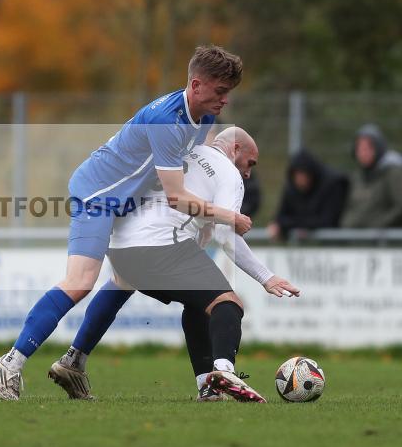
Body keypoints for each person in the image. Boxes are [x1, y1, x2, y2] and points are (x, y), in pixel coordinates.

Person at [0, 46, 252, 400]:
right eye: (220, 92)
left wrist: (199, 223)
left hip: (126, 200)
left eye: (228, 93)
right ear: (196, 85)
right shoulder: (167, 121)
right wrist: (226, 216)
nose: (225, 100)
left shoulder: (201, 118)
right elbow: (176, 195)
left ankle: (73, 363)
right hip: (98, 196)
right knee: (80, 281)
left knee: (125, 277)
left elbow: (181, 175)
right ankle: (10, 362)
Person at [50, 128, 299, 402]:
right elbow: (225, 235)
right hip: (161, 246)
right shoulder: (227, 173)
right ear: (235, 149)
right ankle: (224, 371)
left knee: (180, 299)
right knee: (228, 303)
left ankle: (75, 358)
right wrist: (266, 277)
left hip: (120, 243)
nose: (249, 173)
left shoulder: (179, 152)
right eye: (250, 163)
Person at [267, 149, 348, 241]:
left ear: (311, 174)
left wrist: (291, 225)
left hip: (333, 243)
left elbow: (327, 221)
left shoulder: (333, 184)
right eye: (297, 175)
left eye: (303, 175)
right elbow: (280, 217)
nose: (300, 180)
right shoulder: (291, 188)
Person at [341, 124, 402, 228]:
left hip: (385, 240)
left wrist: (378, 226)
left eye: (368, 148)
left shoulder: (394, 173)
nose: (363, 153)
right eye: (359, 148)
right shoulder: (357, 177)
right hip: (356, 238)